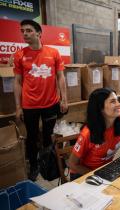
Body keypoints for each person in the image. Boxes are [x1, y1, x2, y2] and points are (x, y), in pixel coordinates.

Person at [13, 19, 68, 181]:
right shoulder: (19, 55)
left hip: (50, 103)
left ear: (38, 33)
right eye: (23, 31)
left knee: (48, 134)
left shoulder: (53, 53)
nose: (25, 34)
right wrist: (18, 106)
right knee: (31, 136)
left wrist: (64, 99)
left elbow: (60, 77)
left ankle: (48, 162)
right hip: (29, 105)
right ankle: (34, 165)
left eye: (29, 30)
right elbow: (16, 82)